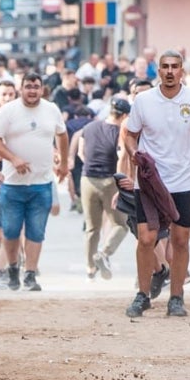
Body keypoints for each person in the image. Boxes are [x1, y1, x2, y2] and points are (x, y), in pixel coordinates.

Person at [122, 50, 190, 318]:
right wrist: (134, 155)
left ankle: (176, 297)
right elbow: (130, 135)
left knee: (180, 241)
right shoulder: (144, 101)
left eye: (175, 67)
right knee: (146, 239)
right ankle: (142, 295)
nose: (169, 71)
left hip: (183, 181)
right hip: (149, 181)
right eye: (165, 67)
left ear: (182, 71)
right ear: (158, 71)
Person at [0, 72, 68, 292]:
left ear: (42, 89)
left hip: (42, 183)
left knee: (36, 231)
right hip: (13, 185)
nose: (32, 91)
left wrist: (64, 162)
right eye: (28, 86)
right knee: (11, 232)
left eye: (36, 86)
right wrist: (13, 158)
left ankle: (30, 274)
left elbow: (62, 134)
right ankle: (13, 268)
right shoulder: (8, 111)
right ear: (21, 88)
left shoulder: (51, 110)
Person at [77, 98, 131, 279]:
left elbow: (80, 151)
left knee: (92, 228)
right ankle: (104, 253)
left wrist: (90, 165)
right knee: (120, 225)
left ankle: (90, 267)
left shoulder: (90, 127)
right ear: (124, 116)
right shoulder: (120, 132)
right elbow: (122, 155)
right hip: (110, 181)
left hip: (87, 180)